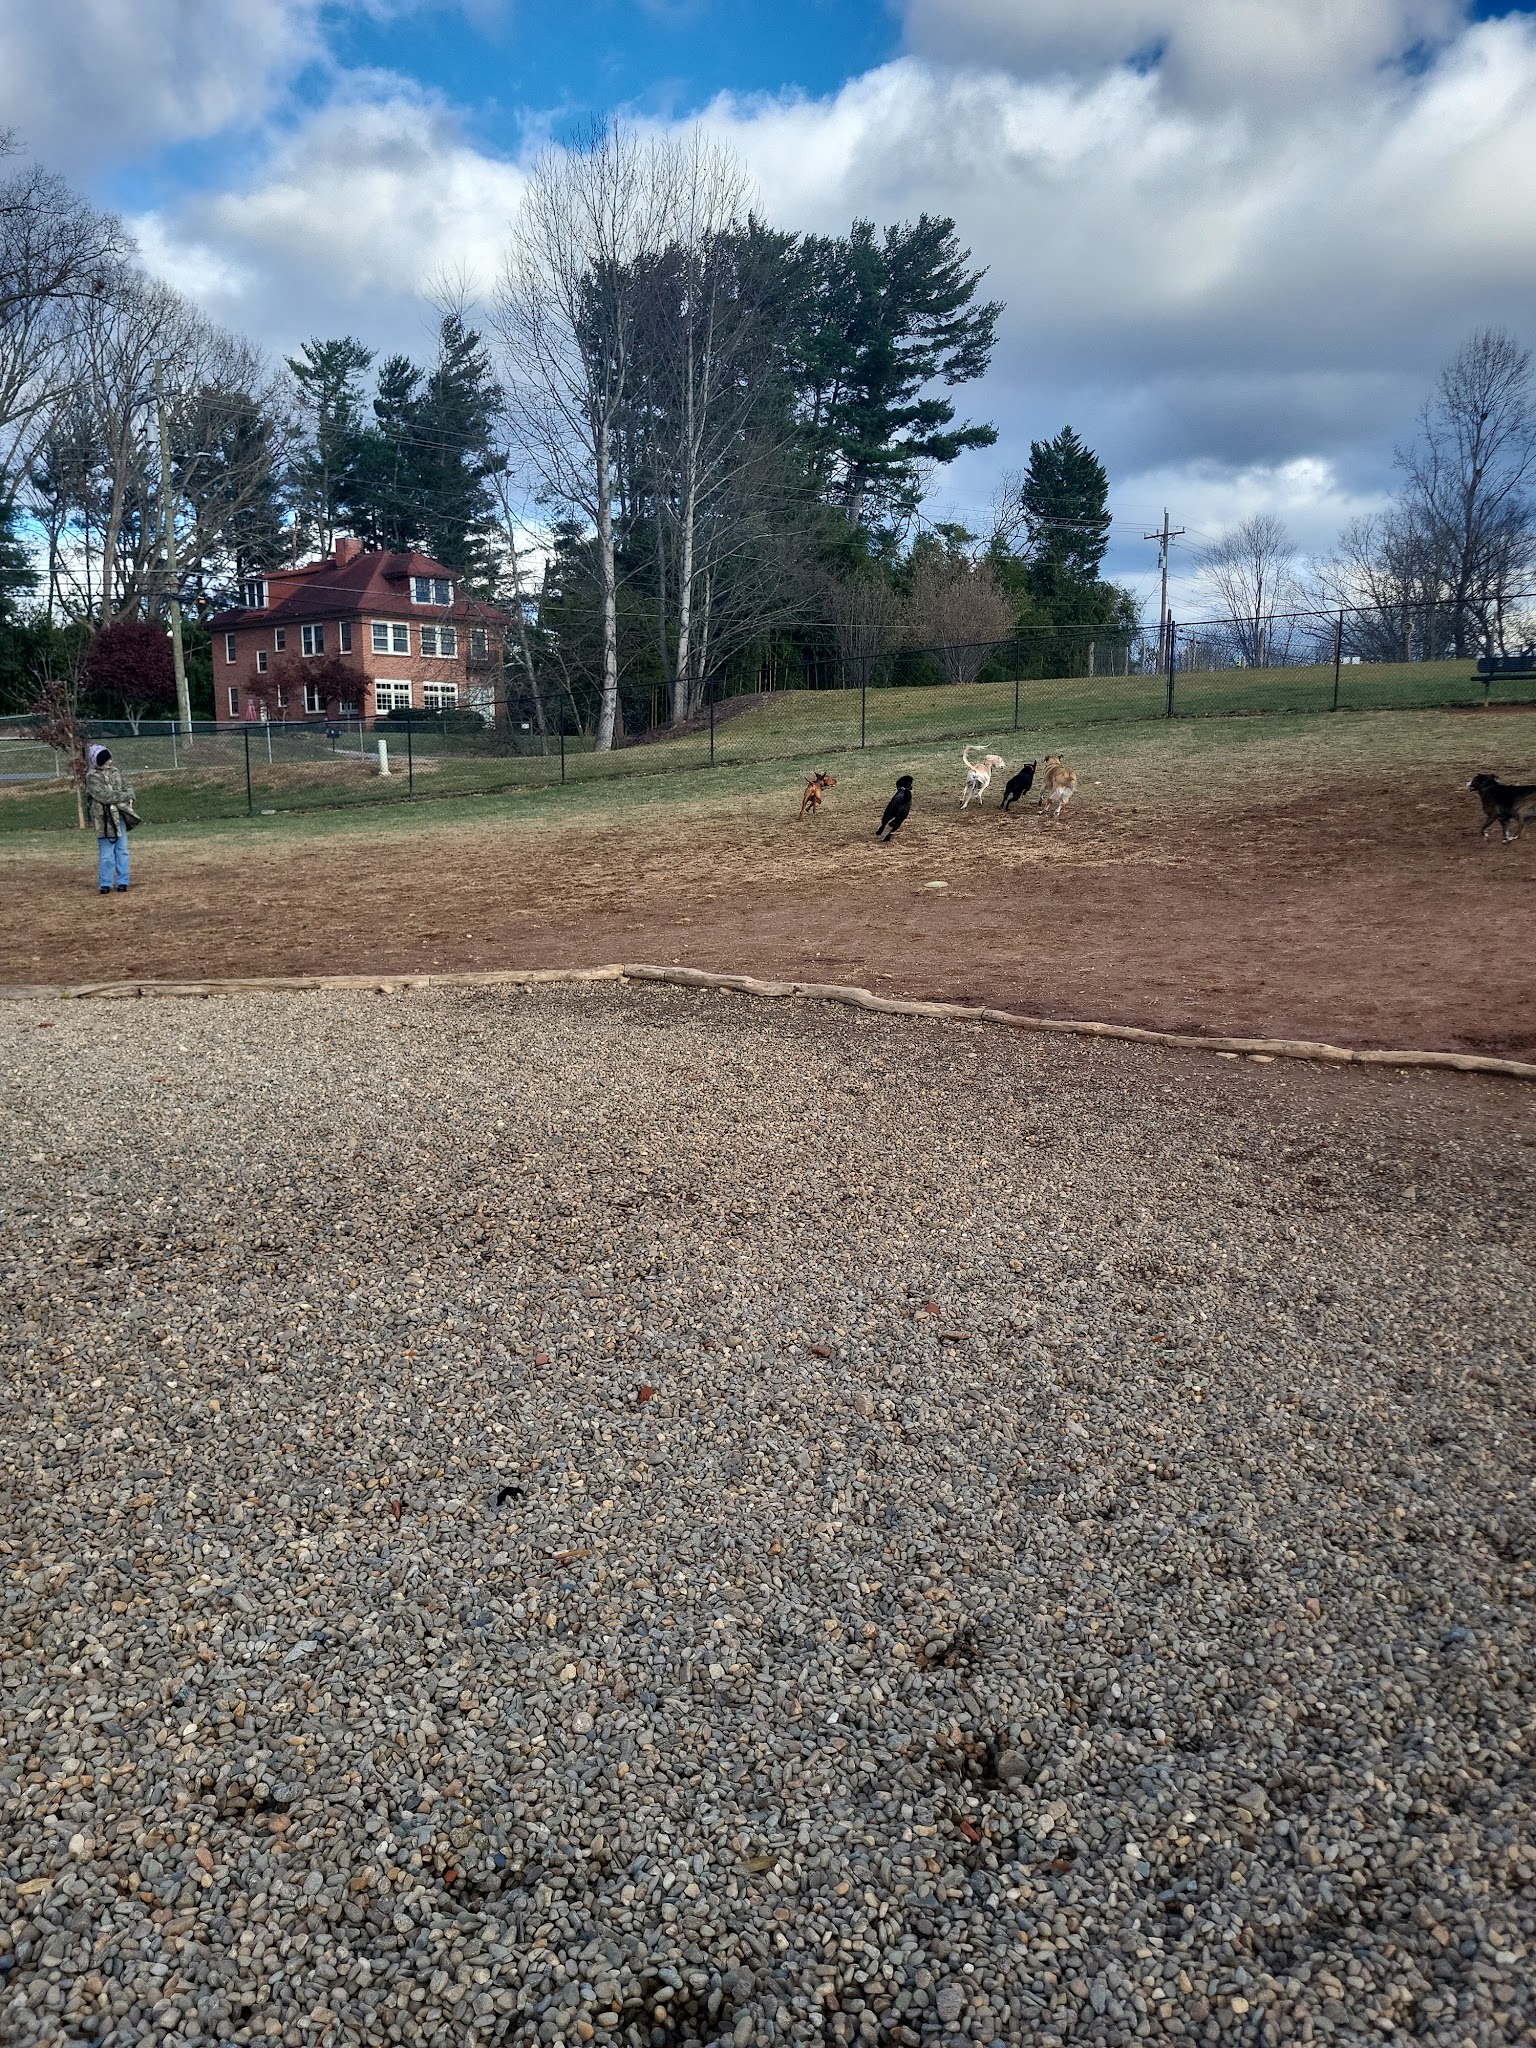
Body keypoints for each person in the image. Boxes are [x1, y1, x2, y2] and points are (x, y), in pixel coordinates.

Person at [84, 743, 137, 894]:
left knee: (122, 850)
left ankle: (123, 881)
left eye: (108, 759)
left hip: (119, 816)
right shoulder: (92, 777)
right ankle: (105, 883)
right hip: (103, 819)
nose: (109, 763)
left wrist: (130, 795)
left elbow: (128, 786)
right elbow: (104, 796)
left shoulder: (116, 772)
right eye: (105, 760)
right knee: (107, 853)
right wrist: (125, 796)